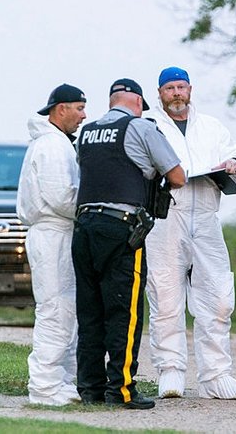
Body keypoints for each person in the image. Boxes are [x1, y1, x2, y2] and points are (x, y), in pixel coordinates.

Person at [72, 78, 186, 409]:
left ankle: (90, 389)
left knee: (90, 310)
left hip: (83, 228)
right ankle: (120, 390)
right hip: (121, 229)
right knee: (126, 310)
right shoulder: (140, 127)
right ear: (136, 102)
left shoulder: (88, 132)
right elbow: (177, 176)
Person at [144, 66, 236, 400]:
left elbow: (233, 157)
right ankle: (170, 370)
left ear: (190, 89)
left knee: (218, 294)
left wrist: (232, 164)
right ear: (159, 93)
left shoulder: (211, 126)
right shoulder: (150, 126)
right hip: (166, 215)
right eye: (169, 88)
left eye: (181, 87)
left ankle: (216, 374)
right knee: (164, 293)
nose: (176, 93)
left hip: (206, 215)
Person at [17, 83, 87, 406]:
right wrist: (91, 205)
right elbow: (62, 197)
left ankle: (60, 381)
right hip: (52, 233)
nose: (84, 115)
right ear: (61, 109)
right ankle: (44, 386)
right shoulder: (52, 147)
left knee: (65, 308)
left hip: (58, 233)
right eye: (79, 108)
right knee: (55, 309)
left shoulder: (57, 143)